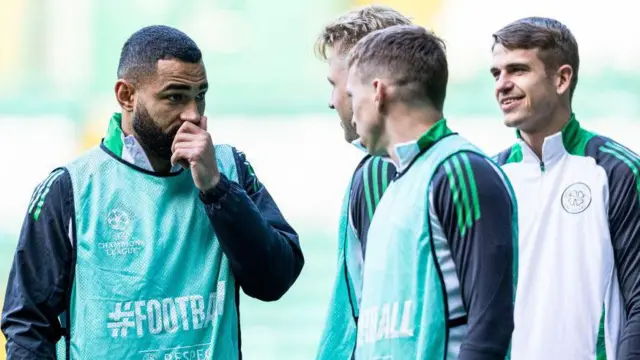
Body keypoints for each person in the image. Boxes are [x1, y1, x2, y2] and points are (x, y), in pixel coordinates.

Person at [1, 25, 304, 359]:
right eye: (175, 96)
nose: (192, 113)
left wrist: (216, 190)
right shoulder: (70, 187)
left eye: (200, 95)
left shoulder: (228, 169)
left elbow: (275, 279)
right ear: (126, 96)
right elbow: (27, 324)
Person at [345, 24, 517, 359]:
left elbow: (489, 328)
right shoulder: (397, 183)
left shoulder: (462, 170)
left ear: (378, 91)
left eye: (353, 96)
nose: (351, 113)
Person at [491, 17, 640, 360]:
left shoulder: (617, 171)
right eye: (496, 73)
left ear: (561, 78)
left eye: (517, 70)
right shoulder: (490, 178)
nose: (502, 84)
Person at [313, 6, 410, 359]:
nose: (332, 101)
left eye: (336, 86)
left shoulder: (382, 171)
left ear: (371, 87)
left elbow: (390, 311)